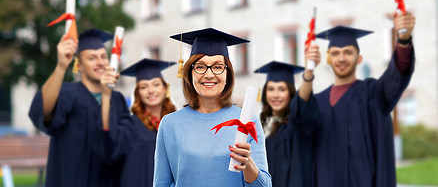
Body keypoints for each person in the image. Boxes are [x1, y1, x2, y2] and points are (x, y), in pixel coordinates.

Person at [294, 12, 416, 187]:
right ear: (329, 59)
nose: (341, 58)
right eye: (335, 53)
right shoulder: (318, 103)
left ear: (359, 59)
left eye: (348, 52)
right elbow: (299, 117)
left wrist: (403, 40)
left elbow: (396, 77)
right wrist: (309, 71)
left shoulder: (373, 94)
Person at [154, 28, 272, 187]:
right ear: (190, 73)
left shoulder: (247, 122)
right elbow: (161, 184)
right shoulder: (170, 124)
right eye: (200, 66)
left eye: (217, 67)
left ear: (227, 74)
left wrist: (248, 165)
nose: (209, 75)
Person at [28, 29, 130, 187]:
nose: (100, 62)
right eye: (92, 58)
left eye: (103, 56)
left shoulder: (117, 100)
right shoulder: (67, 93)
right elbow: (45, 111)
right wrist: (61, 66)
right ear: (79, 65)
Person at [96, 58, 177, 186]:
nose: (151, 91)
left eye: (156, 84)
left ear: (165, 88)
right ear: (138, 93)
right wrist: (106, 96)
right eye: (144, 87)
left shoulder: (175, 124)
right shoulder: (130, 125)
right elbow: (109, 147)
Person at [255, 60, 320, 187]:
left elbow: (302, 103)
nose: (275, 95)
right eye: (271, 89)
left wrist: (308, 74)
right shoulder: (261, 126)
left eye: (282, 89)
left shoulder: (296, 124)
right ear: (265, 92)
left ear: (290, 93)